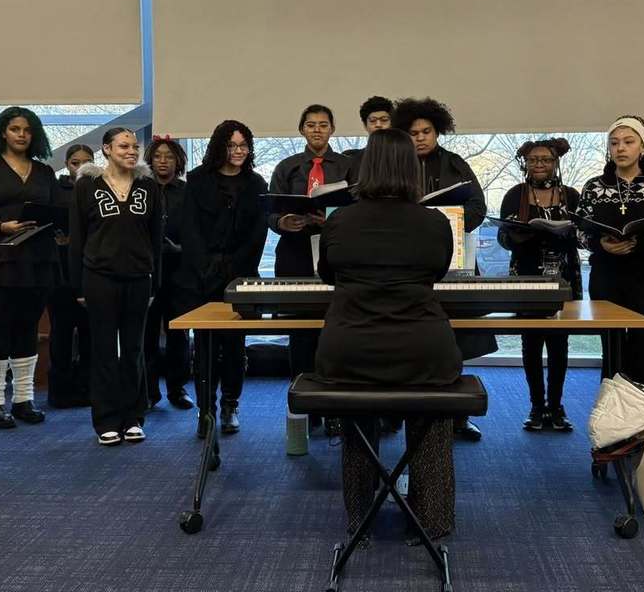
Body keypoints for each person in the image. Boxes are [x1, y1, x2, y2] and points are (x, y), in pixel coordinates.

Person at [315, 128, 463, 541]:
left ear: (366, 167)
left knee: (357, 418)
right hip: (423, 352)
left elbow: (328, 275)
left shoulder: (340, 220)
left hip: (349, 353)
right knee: (431, 416)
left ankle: (360, 514)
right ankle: (432, 519)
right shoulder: (434, 223)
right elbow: (435, 274)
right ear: (411, 169)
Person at [393, 97, 488, 441]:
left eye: (426, 131)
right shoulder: (395, 166)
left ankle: (458, 416)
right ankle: (402, 413)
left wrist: (449, 219)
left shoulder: (455, 163)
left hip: (453, 259)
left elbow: (478, 206)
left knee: (455, 338)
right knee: (409, 338)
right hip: (407, 266)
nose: (420, 138)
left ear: (438, 131)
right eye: (413, 132)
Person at [68, 128, 160, 446]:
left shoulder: (149, 186)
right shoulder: (86, 187)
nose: (132, 151)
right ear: (107, 149)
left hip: (139, 278)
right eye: (124, 145)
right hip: (98, 277)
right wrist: (77, 285)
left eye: (135, 146)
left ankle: (133, 417)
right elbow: (77, 238)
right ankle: (106, 420)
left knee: (134, 349)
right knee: (104, 349)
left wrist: (154, 284)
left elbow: (156, 239)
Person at [0, 106, 59, 428]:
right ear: (2, 133)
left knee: (28, 330)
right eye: (15, 129)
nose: (21, 135)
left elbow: (56, 210)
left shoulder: (45, 171)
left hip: (38, 259)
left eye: (27, 130)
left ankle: (24, 399)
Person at [177, 121, 268, 435]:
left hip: (241, 277)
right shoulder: (197, 181)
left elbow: (258, 235)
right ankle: (206, 411)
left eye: (244, 145)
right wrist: (206, 266)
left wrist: (233, 267)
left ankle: (230, 404)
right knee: (204, 347)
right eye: (232, 145)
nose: (239, 151)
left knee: (234, 347)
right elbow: (188, 230)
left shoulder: (256, 184)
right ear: (220, 147)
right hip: (201, 277)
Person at [267, 104, 353, 428]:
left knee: (335, 330)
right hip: (294, 252)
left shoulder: (347, 166)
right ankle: (301, 407)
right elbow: (270, 211)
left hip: (336, 252)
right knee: (300, 331)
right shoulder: (287, 167)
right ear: (301, 129)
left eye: (323, 125)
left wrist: (329, 219)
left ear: (332, 129)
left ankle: (334, 407)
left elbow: (358, 209)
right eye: (311, 125)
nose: (317, 130)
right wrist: (282, 221)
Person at [576, 115, 644, 386]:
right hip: (605, 275)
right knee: (611, 345)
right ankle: (610, 413)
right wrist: (600, 244)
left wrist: (641, 244)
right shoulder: (594, 187)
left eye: (628, 142)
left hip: (643, 275)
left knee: (641, 345)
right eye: (614, 143)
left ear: (642, 147)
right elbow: (579, 230)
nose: (620, 148)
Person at [498, 138, 582, 432]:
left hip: (563, 276)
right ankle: (536, 406)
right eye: (534, 160)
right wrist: (522, 234)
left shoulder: (571, 196)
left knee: (560, 343)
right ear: (526, 163)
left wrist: (564, 234)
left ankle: (557, 407)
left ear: (556, 162)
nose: (539, 165)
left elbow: (583, 236)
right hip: (526, 276)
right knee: (531, 342)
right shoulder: (515, 195)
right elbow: (503, 238)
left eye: (545, 159)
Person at [142, 135, 193, 410]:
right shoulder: (140, 189)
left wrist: (181, 249)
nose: (163, 161)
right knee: (147, 335)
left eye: (169, 156)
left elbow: (196, 233)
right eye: (158, 156)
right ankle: (149, 392)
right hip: (147, 273)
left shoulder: (187, 192)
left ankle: (178, 389)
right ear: (149, 160)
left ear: (178, 161)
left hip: (179, 272)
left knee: (178, 334)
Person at [47, 144, 94, 408]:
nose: (80, 167)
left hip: (91, 271)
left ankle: (88, 389)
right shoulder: (56, 191)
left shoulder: (100, 188)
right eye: (75, 162)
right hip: (61, 273)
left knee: (90, 335)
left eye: (86, 161)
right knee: (61, 334)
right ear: (67, 164)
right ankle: (60, 391)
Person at [342, 95, 394, 175]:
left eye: (384, 120)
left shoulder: (402, 156)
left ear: (392, 123)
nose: (378, 125)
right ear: (365, 125)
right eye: (373, 121)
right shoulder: (351, 159)